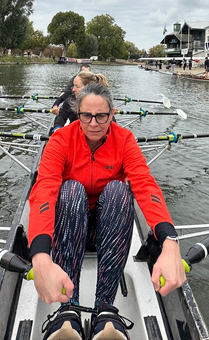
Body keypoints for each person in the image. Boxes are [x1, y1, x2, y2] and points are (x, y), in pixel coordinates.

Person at [30, 83, 185, 340]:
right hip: (68, 226)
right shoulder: (60, 140)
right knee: (69, 190)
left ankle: (106, 309)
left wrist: (170, 241)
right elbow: (44, 190)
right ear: (77, 114)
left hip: (108, 227)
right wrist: (40, 256)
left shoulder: (124, 140)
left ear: (112, 114)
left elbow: (145, 185)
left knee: (118, 190)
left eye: (101, 116)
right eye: (86, 116)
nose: (93, 123)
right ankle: (68, 310)